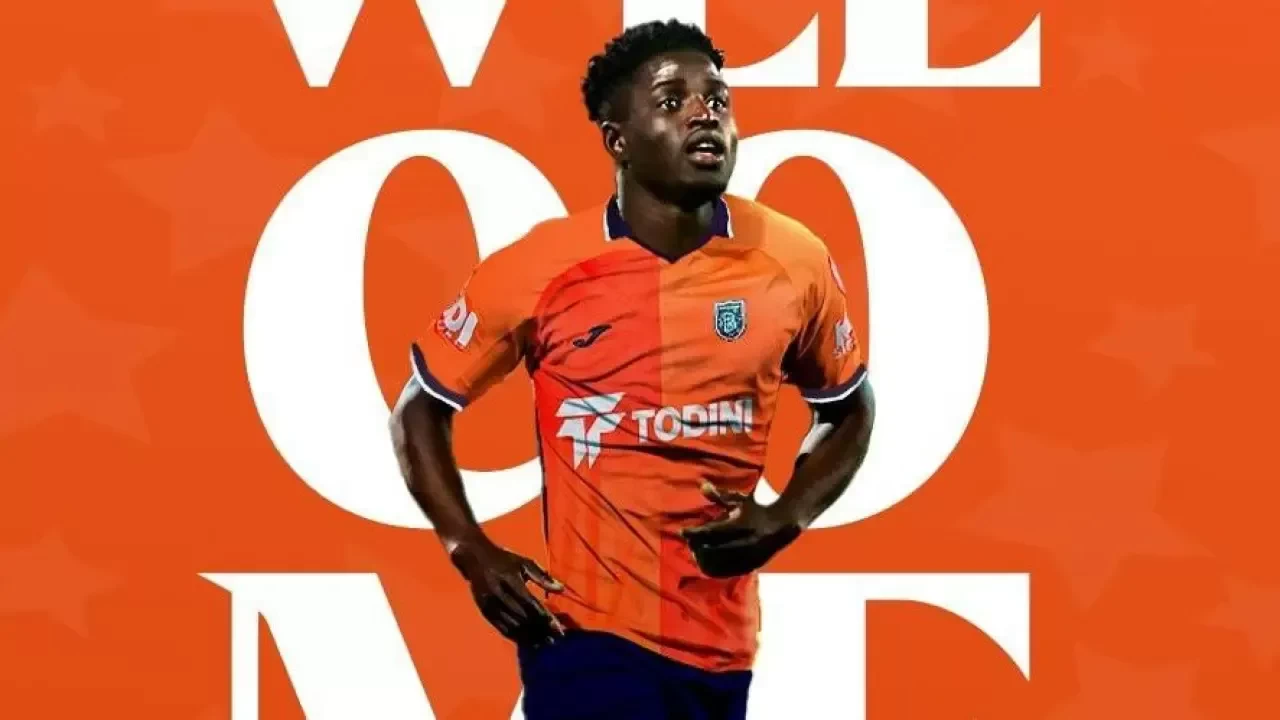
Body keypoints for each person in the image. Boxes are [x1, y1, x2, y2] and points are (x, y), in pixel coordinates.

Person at [389, 18, 876, 720]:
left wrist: (786, 515)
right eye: (673, 100)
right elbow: (421, 404)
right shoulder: (538, 269)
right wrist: (469, 546)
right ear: (617, 139)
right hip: (584, 639)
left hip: (722, 650)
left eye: (718, 99)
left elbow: (850, 405)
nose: (705, 114)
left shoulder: (792, 260)